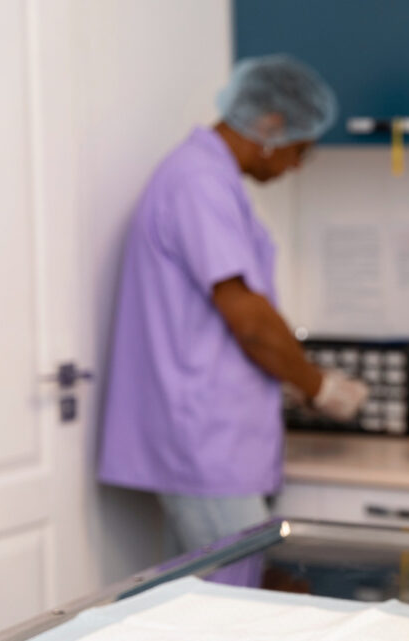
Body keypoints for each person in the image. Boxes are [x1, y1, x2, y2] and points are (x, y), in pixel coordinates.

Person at [98, 55, 368, 584]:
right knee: (235, 601)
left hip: (211, 437)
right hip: (204, 443)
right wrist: (320, 387)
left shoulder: (208, 177)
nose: (295, 166)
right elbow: (247, 317)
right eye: (299, 150)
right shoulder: (198, 181)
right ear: (269, 126)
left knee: (199, 599)